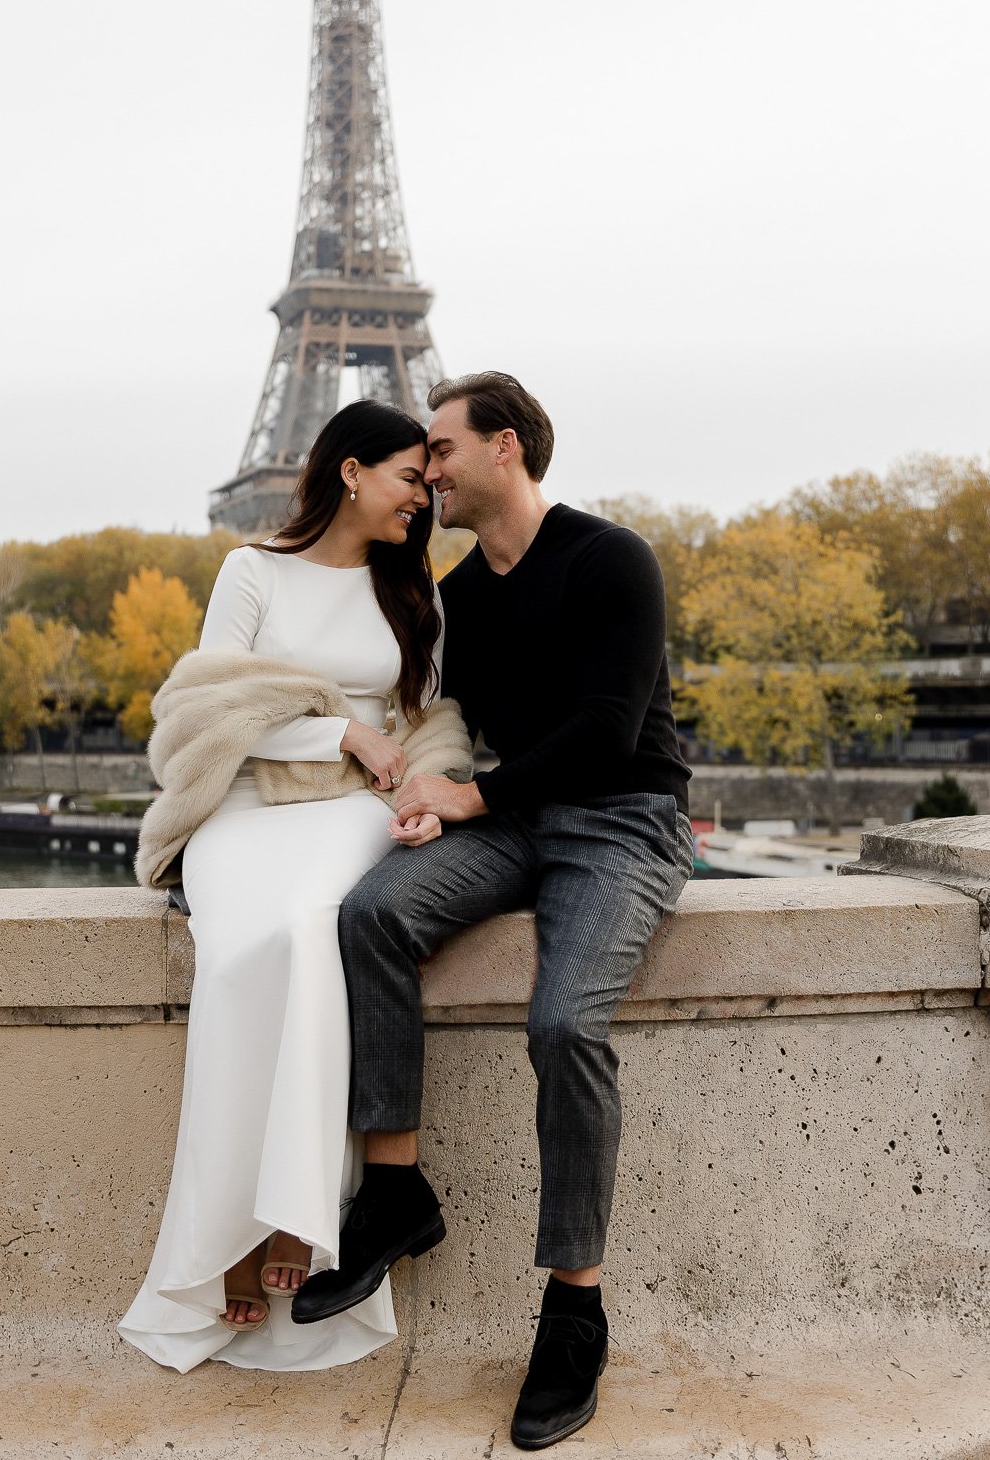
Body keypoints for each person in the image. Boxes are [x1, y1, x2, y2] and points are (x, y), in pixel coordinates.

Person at [291, 372, 695, 1450]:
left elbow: (611, 730)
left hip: (621, 821)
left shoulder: (613, 559)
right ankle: (394, 1193)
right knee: (372, 914)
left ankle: (575, 1309)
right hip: (515, 818)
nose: (428, 470)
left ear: (504, 448)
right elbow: (451, 725)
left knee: (564, 1024)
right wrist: (428, 794)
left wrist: (468, 796)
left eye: (442, 447)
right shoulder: (462, 593)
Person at [119, 400, 465, 1374]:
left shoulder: (414, 592)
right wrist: (337, 728)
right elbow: (207, 708)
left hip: (352, 810)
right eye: (410, 476)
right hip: (246, 805)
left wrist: (422, 786)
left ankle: (294, 1218)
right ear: (350, 472)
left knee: (314, 934)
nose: (424, 494)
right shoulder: (251, 570)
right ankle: (226, 1223)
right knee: (239, 950)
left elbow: (428, 719)